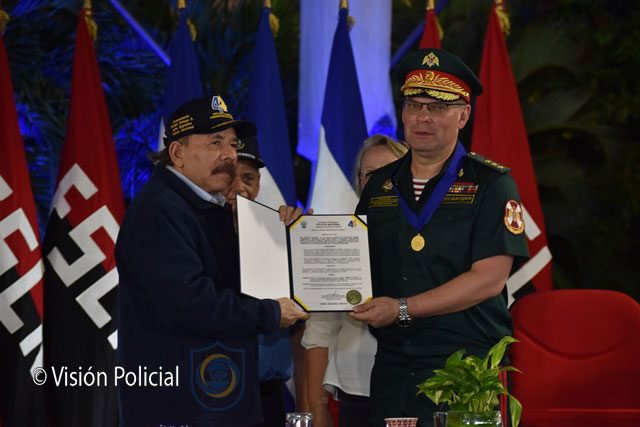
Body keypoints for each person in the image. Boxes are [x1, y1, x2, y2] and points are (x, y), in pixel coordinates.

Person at [350, 49, 529, 427]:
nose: (423, 117)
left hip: (465, 369)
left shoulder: (492, 184)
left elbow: (489, 278)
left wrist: (401, 308)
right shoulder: (379, 185)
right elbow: (352, 263)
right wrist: (301, 234)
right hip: (394, 367)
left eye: (438, 107)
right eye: (414, 105)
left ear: (463, 115)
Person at [115, 96, 308, 426]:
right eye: (215, 142)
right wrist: (271, 313)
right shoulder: (158, 212)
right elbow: (190, 303)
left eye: (232, 144)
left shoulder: (205, 208)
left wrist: (286, 242)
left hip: (216, 400)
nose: (229, 154)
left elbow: (235, 285)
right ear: (178, 154)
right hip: (180, 407)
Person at [302, 135, 409, 427]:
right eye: (368, 173)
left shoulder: (433, 235)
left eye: (389, 171)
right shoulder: (340, 238)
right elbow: (320, 331)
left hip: (420, 381)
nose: (378, 181)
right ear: (359, 181)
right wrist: (317, 406)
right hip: (355, 387)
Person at [224, 136, 308, 426]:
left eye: (248, 178)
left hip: (268, 391)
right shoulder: (195, 237)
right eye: (230, 177)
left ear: (259, 184)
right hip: (213, 386)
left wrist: (303, 238)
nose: (240, 187)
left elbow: (299, 321)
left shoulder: (278, 234)